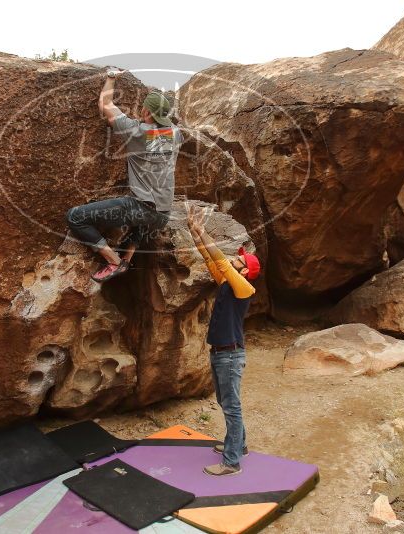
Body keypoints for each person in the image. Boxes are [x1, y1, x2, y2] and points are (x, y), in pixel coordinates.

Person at [66, 68, 184, 282]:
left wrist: (111, 77)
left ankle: (114, 261)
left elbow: (105, 105)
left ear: (146, 111)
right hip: (163, 214)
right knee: (142, 223)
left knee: (75, 216)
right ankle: (127, 258)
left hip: (142, 208)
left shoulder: (137, 133)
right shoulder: (175, 134)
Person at [186, 202, 261, 476]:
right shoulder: (229, 284)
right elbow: (211, 261)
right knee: (227, 403)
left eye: (238, 260)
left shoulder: (244, 287)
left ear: (243, 271)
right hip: (221, 353)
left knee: (231, 406)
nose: (233, 259)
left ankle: (231, 462)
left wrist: (204, 232)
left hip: (229, 355)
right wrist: (195, 234)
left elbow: (219, 260)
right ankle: (239, 446)